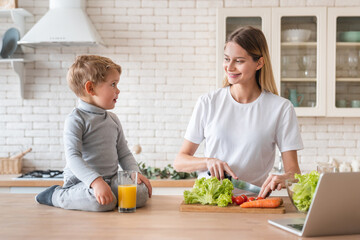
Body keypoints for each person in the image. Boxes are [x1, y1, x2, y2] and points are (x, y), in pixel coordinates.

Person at [173, 26, 303, 198]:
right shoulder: (208, 103)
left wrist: (284, 178)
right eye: (227, 59)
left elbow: (294, 174)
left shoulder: (281, 108)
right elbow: (180, 161)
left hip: (252, 203)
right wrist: (208, 161)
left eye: (239, 61)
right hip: (209, 202)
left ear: (259, 63)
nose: (230, 67)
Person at [35, 55, 152, 211]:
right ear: (90, 88)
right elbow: (73, 157)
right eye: (113, 84)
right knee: (100, 202)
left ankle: (110, 195)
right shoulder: (76, 119)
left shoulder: (113, 119)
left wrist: (135, 174)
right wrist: (96, 182)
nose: (118, 90)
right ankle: (56, 195)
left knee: (140, 194)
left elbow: (123, 153)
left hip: (111, 179)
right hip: (82, 182)